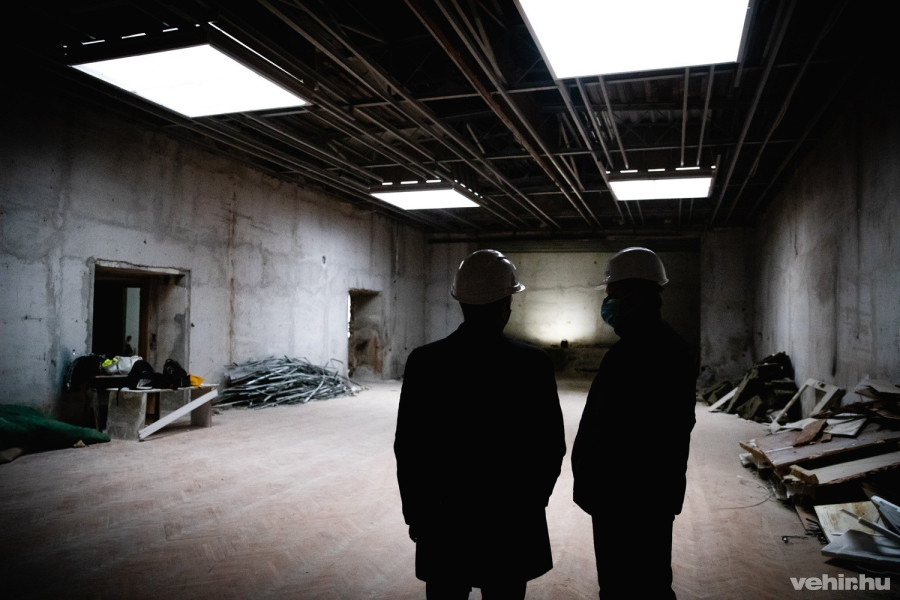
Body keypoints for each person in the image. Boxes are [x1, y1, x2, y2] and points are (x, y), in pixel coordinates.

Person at [394, 249, 566, 600]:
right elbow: (550, 447)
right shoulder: (532, 365)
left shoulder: (425, 363)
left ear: (461, 301)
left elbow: (409, 448)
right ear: (506, 305)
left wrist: (416, 513)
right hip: (510, 523)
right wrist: (533, 504)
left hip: (443, 522)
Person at [571, 247, 697, 599]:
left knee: (621, 584)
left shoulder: (629, 355)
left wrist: (591, 484)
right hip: (654, 495)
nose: (607, 304)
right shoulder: (673, 347)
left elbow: (607, 432)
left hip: (622, 499)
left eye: (612, 295)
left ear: (634, 295)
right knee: (652, 579)